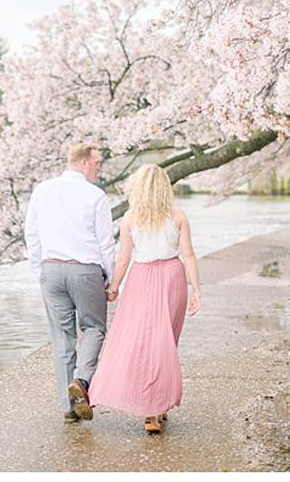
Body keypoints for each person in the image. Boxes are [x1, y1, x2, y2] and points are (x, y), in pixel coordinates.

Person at [89, 163, 202, 436]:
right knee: (165, 344)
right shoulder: (177, 216)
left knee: (143, 343)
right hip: (172, 278)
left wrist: (114, 286)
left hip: (141, 279)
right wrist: (197, 290)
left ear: (138, 188)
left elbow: (125, 259)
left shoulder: (130, 219)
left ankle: (152, 409)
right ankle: (156, 407)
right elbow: (189, 255)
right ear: (165, 187)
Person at [26, 141, 114, 424]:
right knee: (94, 328)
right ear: (85, 162)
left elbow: (32, 233)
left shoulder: (42, 190)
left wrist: (40, 268)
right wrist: (110, 278)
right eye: (97, 163)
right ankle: (82, 381)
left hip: (51, 271)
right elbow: (105, 244)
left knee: (62, 338)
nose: (99, 168)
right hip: (85, 270)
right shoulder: (95, 195)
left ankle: (68, 406)